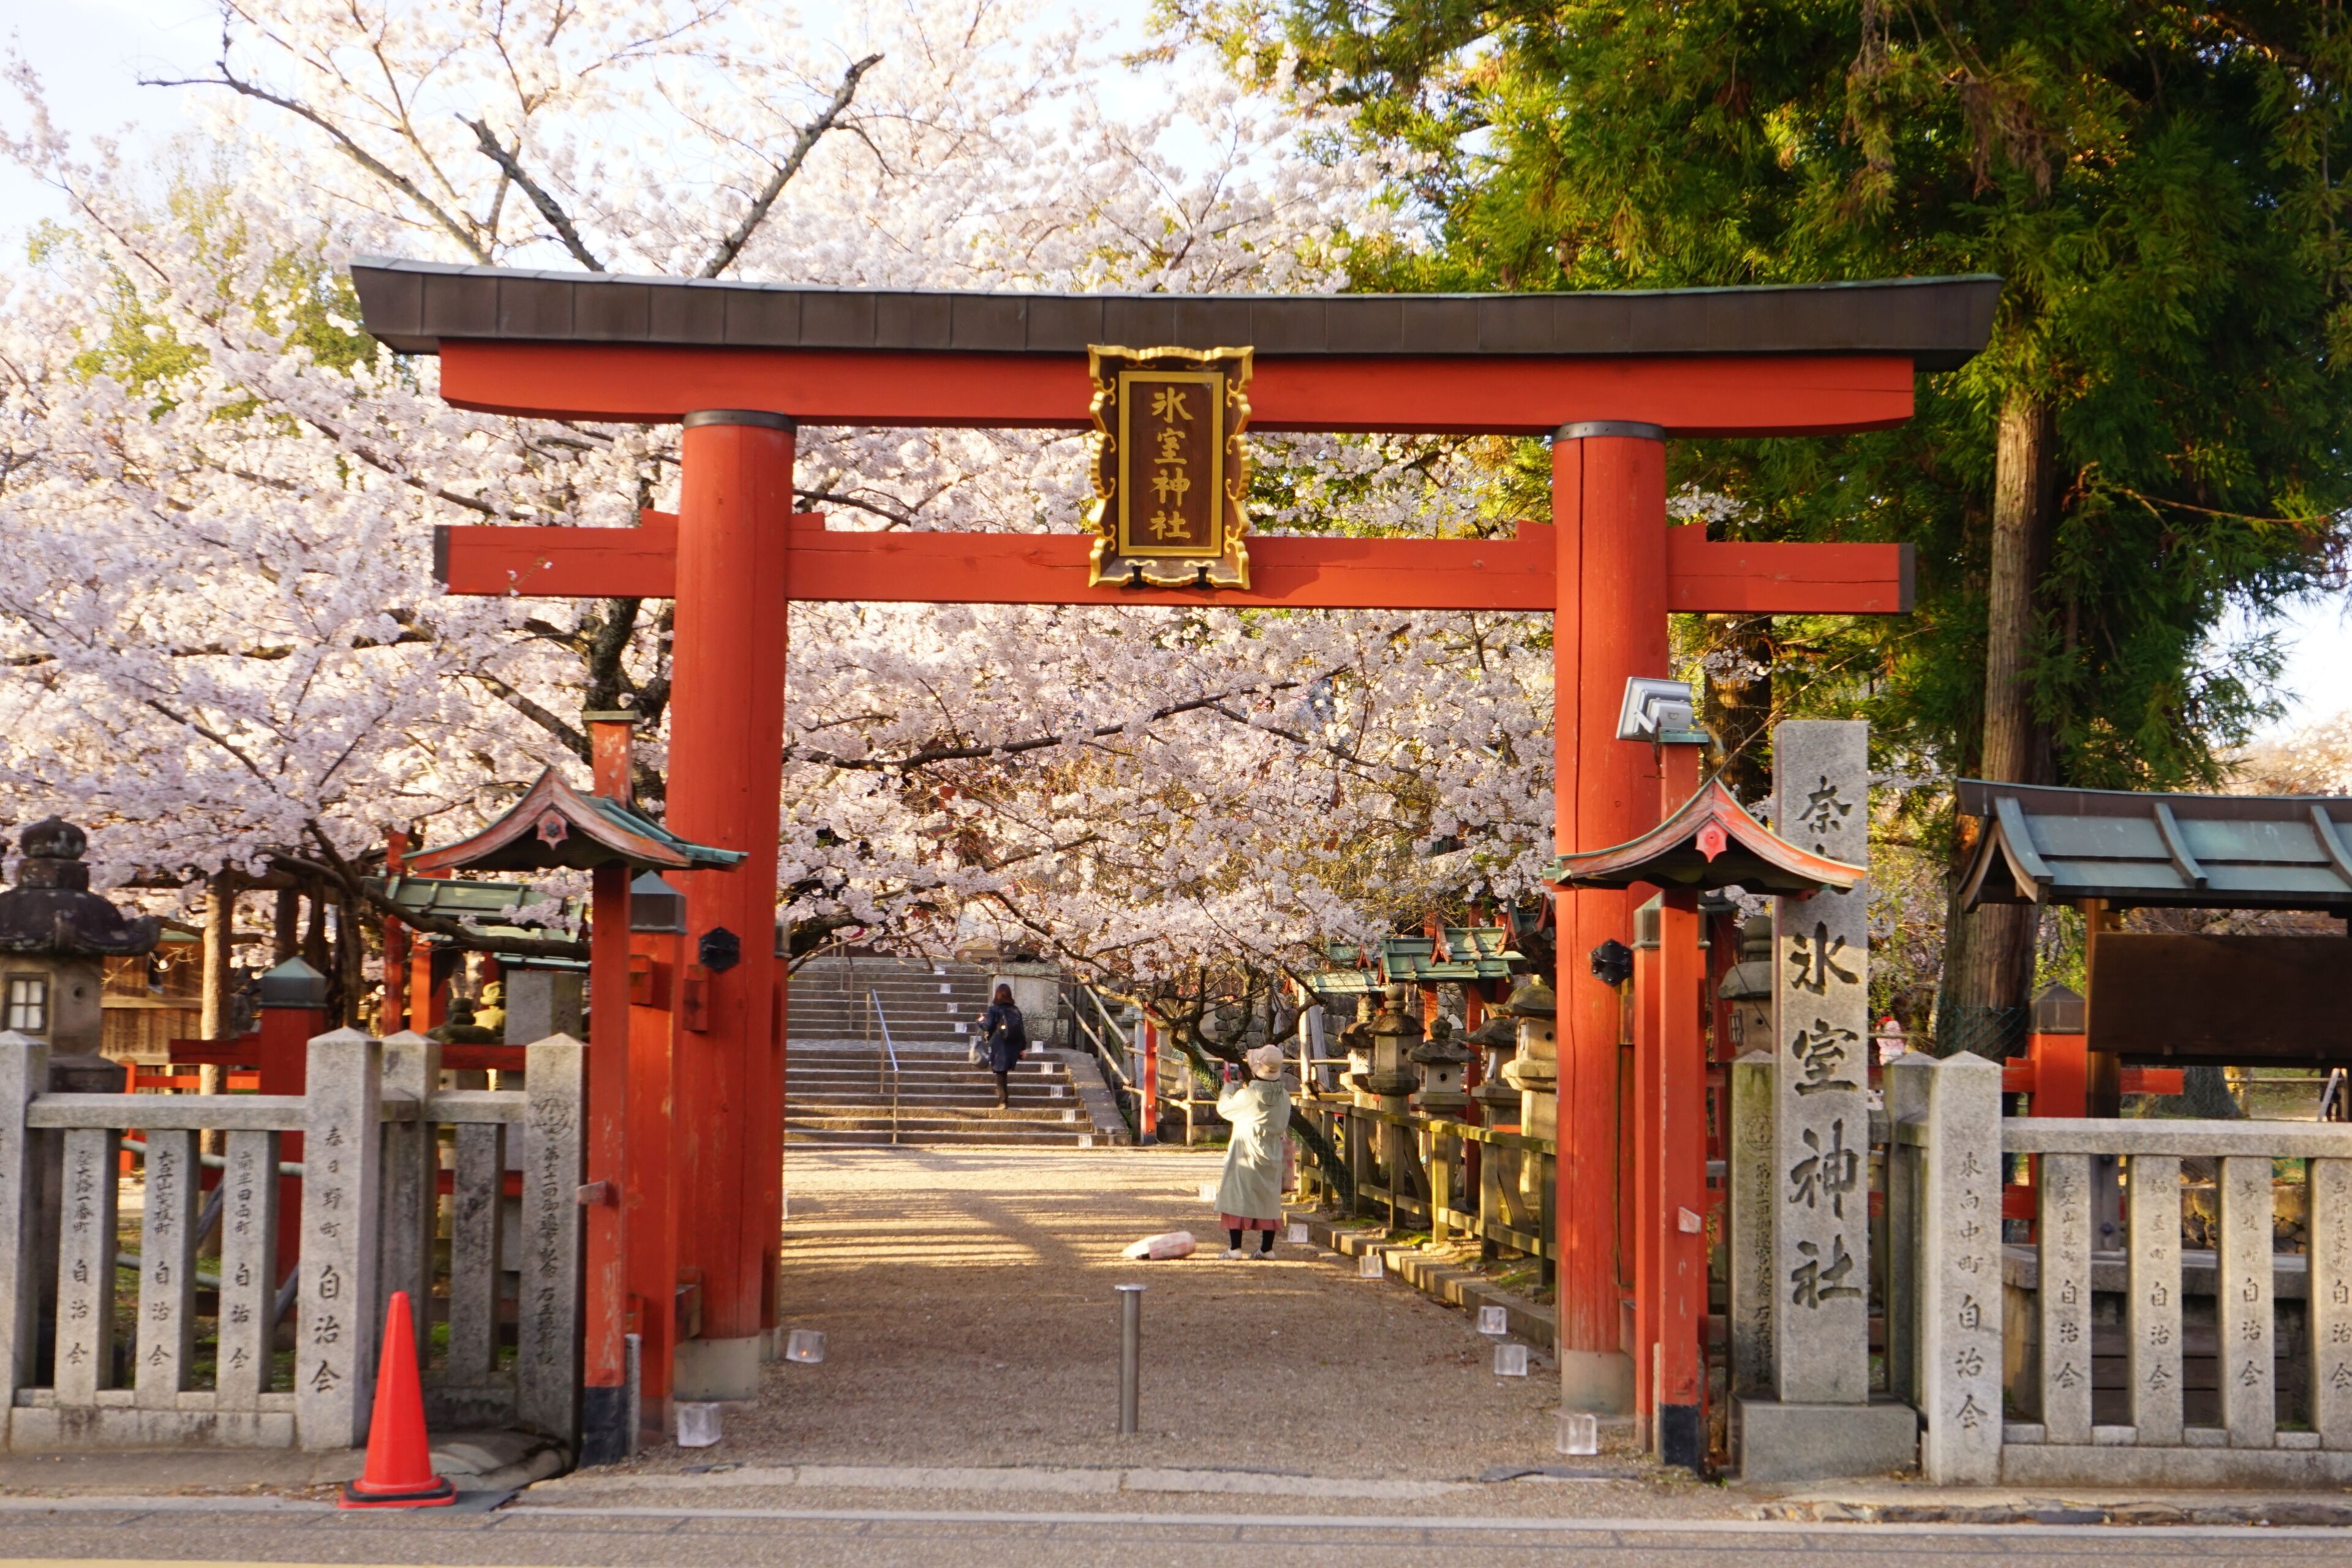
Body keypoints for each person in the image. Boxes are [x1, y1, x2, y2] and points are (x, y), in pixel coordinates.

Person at [1214, 1043, 1291, 1258]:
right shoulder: (1284, 1096)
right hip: (1272, 1149)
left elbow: (1225, 1109)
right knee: (1269, 1198)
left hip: (1246, 1148)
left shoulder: (1248, 1095)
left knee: (1237, 1194)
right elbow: (1283, 1123)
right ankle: (1267, 1248)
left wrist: (1228, 1086)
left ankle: (1235, 1248)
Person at [979, 983, 1028, 1109]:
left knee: (1001, 1072)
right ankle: (1003, 1098)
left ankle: (1003, 1100)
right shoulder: (1015, 1010)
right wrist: (1023, 1048)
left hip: (1000, 1044)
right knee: (1003, 1072)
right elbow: (1021, 1029)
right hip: (1014, 1044)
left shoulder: (994, 1009)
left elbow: (988, 1026)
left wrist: (981, 1021)